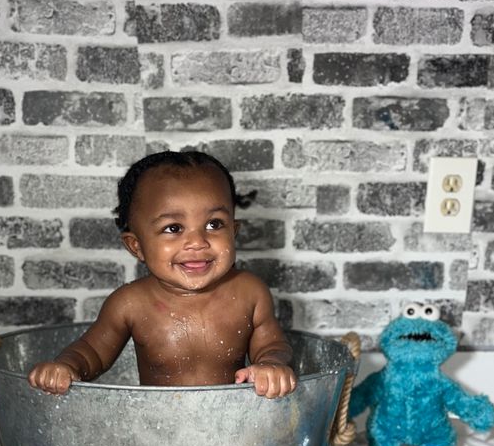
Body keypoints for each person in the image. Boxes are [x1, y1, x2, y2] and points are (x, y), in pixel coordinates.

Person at [28, 150, 297, 399]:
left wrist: (271, 365)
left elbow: (273, 344)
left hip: (233, 426)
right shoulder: (130, 303)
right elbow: (92, 353)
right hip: (158, 430)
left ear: (234, 231)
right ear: (137, 246)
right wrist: (66, 367)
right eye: (173, 228)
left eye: (214, 224)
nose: (197, 242)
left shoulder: (249, 292)